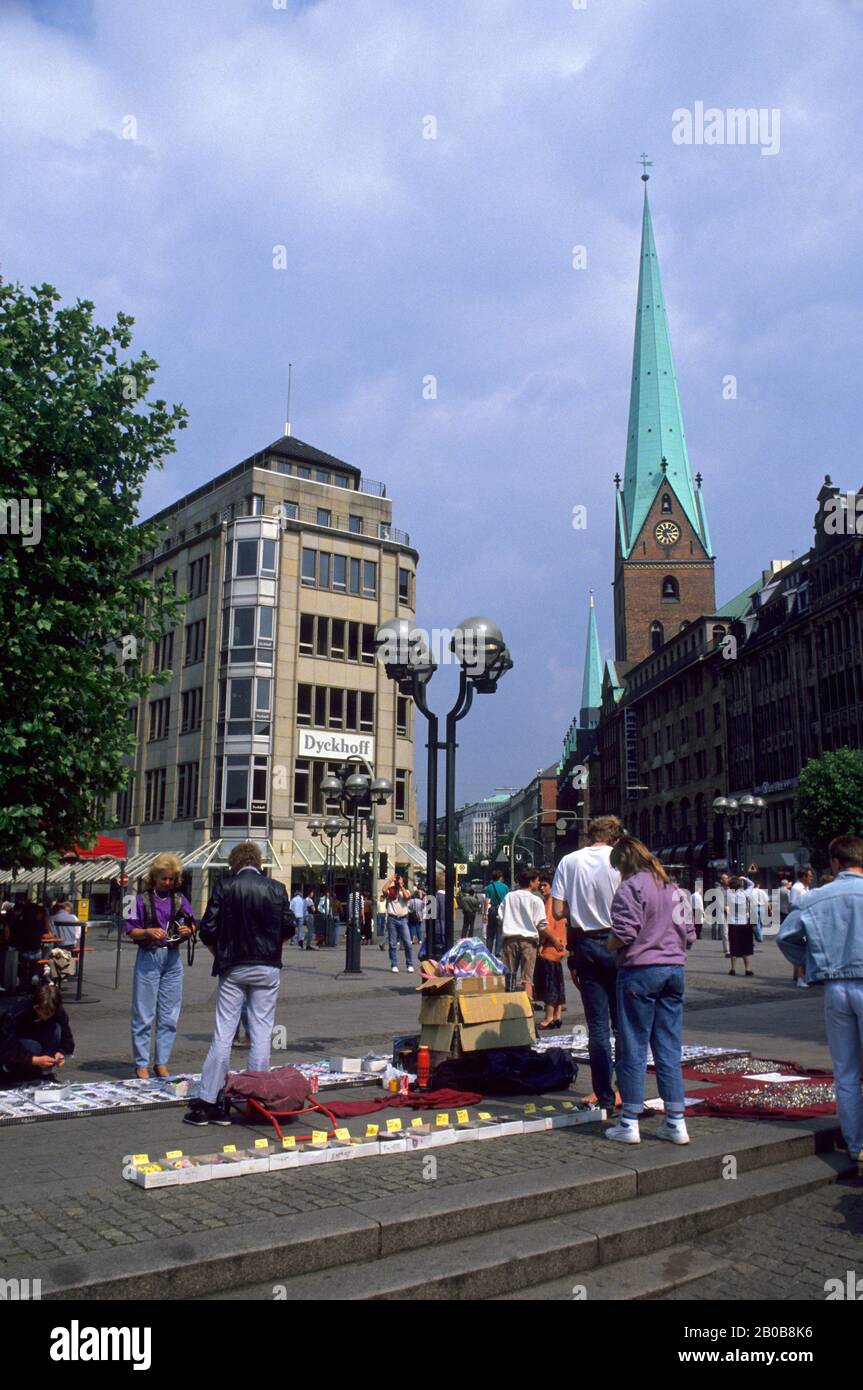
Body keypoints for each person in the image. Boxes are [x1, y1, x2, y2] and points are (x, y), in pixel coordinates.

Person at [186, 841, 294, 1125]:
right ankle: (256, 1099)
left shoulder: (225, 886)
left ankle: (209, 1099)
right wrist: (272, 948)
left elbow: (207, 929)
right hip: (267, 967)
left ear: (234, 862)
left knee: (224, 1032)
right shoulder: (276, 889)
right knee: (261, 1031)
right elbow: (290, 927)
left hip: (233, 965)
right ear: (258, 862)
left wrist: (219, 953)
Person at [604, 835, 696, 1145]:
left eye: (617, 866)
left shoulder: (631, 887)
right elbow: (690, 934)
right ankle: (675, 1121)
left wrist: (608, 945)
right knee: (669, 1046)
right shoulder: (673, 888)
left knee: (633, 1045)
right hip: (674, 971)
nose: (617, 872)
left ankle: (629, 1121)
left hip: (640, 971)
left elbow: (625, 932)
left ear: (624, 862)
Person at [779, 836, 863, 1168]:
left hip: (835, 986)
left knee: (845, 1071)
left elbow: (786, 938)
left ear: (835, 862)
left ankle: (856, 1145)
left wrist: (815, 962)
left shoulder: (816, 898)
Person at [552, 815, 624, 1116]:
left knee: (597, 1026)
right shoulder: (623, 860)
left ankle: (603, 1094)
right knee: (623, 1025)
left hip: (585, 945)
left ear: (590, 836)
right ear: (615, 838)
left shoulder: (569, 861)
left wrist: (580, 906)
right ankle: (625, 1091)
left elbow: (557, 911)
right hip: (620, 942)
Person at [125, 853, 196, 1080]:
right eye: (164, 878)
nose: (168, 883)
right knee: (144, 1012)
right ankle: (141, 1063)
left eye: (171, 879)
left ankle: (162, 1062)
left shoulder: (180, 898)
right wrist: (146, 931)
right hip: (148, 956)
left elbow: (194, 922)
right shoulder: (136, 899)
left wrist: (189, 930)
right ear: (153, 877)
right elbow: (128, 930)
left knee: (169, 1014)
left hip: (172, 957)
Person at [0, 983, 75, 1085]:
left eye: (50, 1013)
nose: (46, 1016)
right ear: (36, 1007)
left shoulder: (58, 1012)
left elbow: (67, 1038)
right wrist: (33, 1060)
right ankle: (14, 1071)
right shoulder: (16, 1013)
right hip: (16, 1044)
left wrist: (61, 1052)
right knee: (33, 1046)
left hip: (38, 1038)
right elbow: (7, 1045)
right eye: (44, 1012)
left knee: (56, 1028)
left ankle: (44, 1072)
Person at [499, 866, 545, 999]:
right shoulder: (536, 900)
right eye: (537, 881)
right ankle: (527, 1006)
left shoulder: (509, 897)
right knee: (527, 978)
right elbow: (541, 924)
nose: (538, 883)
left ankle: (507, 1002)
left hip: (510, 940)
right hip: (529, 942)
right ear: (531, 882)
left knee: (508, 975)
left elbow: (500, 917)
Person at [534, 870, 566, 1029]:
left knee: (550, 985)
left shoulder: (549, 903)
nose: (542, 889)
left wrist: (541, 944)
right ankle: (557, 1016)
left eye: (545, 886)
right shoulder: (558, 902)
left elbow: (545, 927)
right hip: (560, 946)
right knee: (558, 983)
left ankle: (548, 1017)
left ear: (551, 887)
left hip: (550, 948)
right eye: (540, 886)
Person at [10, 902, 52, 990]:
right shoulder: (39, 923)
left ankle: (22, 980)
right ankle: (35, 976)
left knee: (20, 962)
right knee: (41, 956)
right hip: (36, 952)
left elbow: (13, 936)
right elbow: (47, 933)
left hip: (22, 952)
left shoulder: (19, 923)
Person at [381, 872, 413, 974]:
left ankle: (410, 964)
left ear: (403, 882)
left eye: (400, 880)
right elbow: (383, 890)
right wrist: (391, 879)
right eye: (397, 880)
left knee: (408, 943)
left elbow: (407, 897)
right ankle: (394, 964)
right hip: (392, 919)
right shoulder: (392, 891)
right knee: (392, 944)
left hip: (403, 919)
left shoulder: (406, 890)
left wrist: (402, 887)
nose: (398, 882)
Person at [790, 868, 814, 987]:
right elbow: (794, 904)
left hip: (807, 918)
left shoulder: (805, 888)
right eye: (809, 875)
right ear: (804, 876)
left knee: (805, 948)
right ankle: (800, 978)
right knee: (801, 949)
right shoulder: (796, 888)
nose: (811, 877)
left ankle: (799, 975)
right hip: (800, 919)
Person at [726, 875, 755, 977]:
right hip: (745, 923)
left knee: (734, 945)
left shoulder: (729, 894)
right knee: (746, 946)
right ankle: (748, 969)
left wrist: (733, 880)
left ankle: (733, 969)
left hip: (733, 923)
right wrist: (744, 878)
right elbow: (752, 884)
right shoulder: (746, 894)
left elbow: (728, 883)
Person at [483, 870, 509, 958]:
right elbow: (507, 900)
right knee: (500, 931)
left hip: (492, 909)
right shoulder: (505, 887)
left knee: (490, 931)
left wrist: (485, 914)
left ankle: (489, 950)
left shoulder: (489, 887)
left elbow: (487, 901)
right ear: (500, 877)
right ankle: (498, 951)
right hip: (501, 910)